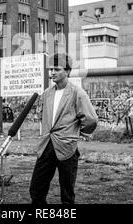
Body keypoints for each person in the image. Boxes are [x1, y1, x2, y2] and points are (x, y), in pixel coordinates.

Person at [29, 53, 98, 204]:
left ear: (67, 71)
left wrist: (76, 134)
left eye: (57, 69)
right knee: (36, 189)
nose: (52, 72)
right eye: (51, 69)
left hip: (67, 147)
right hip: (47, 145)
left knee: (67, 194)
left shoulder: (77, 93)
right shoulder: (47, 94)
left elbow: (91, 119)